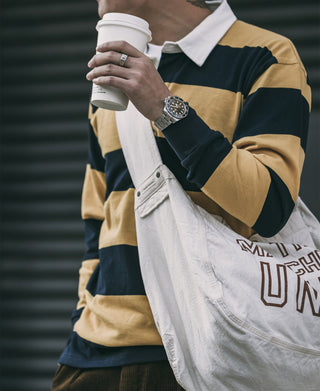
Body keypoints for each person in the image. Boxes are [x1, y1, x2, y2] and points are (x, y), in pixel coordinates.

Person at [52, 0, 311, 389]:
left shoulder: (267, 56)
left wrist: (164, 107)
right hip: (93, 353)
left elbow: (269, 207)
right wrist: (84, 312)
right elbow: (99, 217)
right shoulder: (113, 71)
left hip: (201, 350)